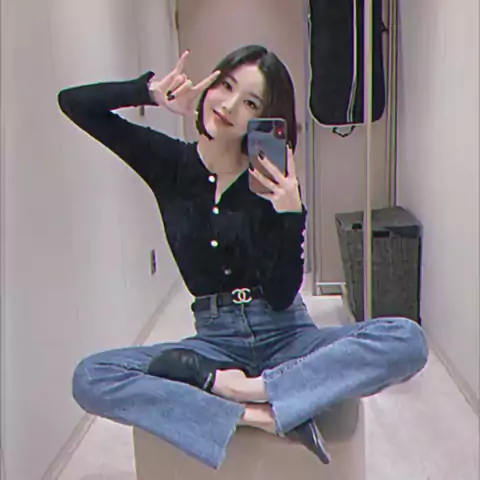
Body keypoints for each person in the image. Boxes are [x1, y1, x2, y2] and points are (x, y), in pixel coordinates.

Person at [58, 44, 429, 470]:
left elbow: (281, 294)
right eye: (226, 86)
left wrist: (290, 216)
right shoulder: (169, 163)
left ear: (265, 118)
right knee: (92, 376)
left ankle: (245, 392)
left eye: (251, 102)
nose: (230, 106)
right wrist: (148, 93)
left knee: (406, 340)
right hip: (215, 344)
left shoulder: (270, 180)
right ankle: (260, 414)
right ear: (210, 84)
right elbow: (74, 103)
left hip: (287, 337)